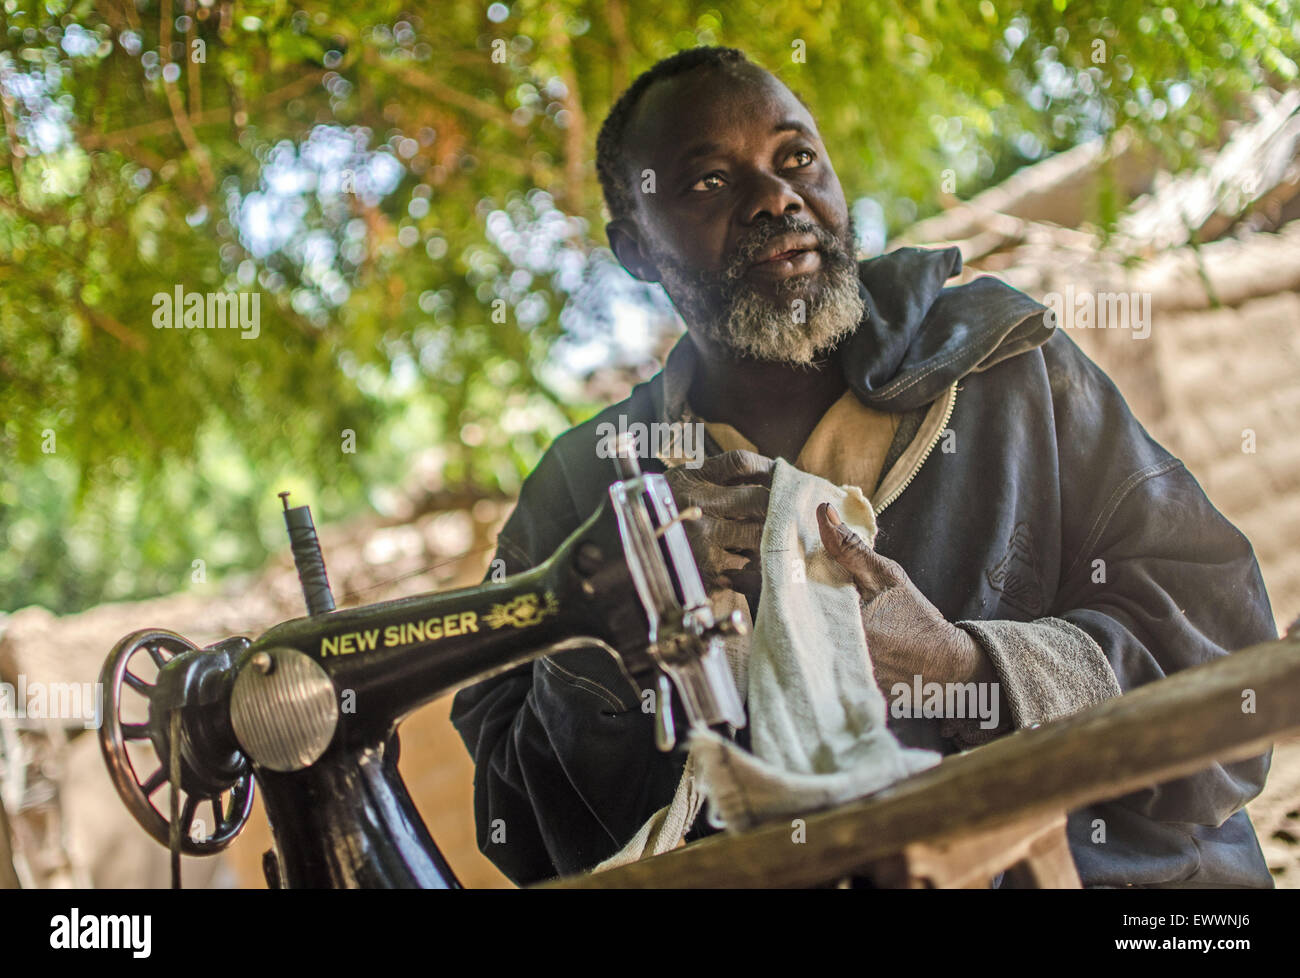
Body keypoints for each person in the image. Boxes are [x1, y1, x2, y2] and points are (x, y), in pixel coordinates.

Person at [450, 46, 1277, 888]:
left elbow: (1229, 658)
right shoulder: (587, 487)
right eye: (709, 182)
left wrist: (966, 669)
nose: (775, 197)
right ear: (634, 247)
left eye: (796, 158)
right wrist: (614, 633)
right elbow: (523, 833)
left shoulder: (1010, 369)